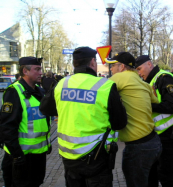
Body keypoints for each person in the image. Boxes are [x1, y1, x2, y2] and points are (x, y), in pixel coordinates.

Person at [39, 47, 127, 187]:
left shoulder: (62, 84)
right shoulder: (105, 86)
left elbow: (45, 109)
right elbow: (119, 123)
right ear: (92, 62)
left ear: (75, 64)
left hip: (69, 156)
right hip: (97, 156)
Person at [105, 52, 162, 187]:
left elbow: (97, 97)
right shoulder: (144, 83)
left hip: (138, 148)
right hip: (154, 142)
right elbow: (156, 101)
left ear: (122, 67)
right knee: (151, 182)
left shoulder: (118, 78)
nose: (111, 69)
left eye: (112, 66)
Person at [0, 57, 51, 187]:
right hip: (20, 158)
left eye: (41, 69)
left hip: (37, 156)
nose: (41, 73)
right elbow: (7, 127)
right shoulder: (14, 92)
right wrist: (17, 156)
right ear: (25, 71)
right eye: (37, 69)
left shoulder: (39, 91)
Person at [135, 55, 173, 187]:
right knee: (152, 175)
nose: (139, 73)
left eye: (140, 69)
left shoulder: (164, 78)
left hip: (170, 135)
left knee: (166, 176)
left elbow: (172, 105)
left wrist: (147, 105)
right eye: (137, 70)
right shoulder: (150, 82)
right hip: (156, 136)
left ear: (149, 64)